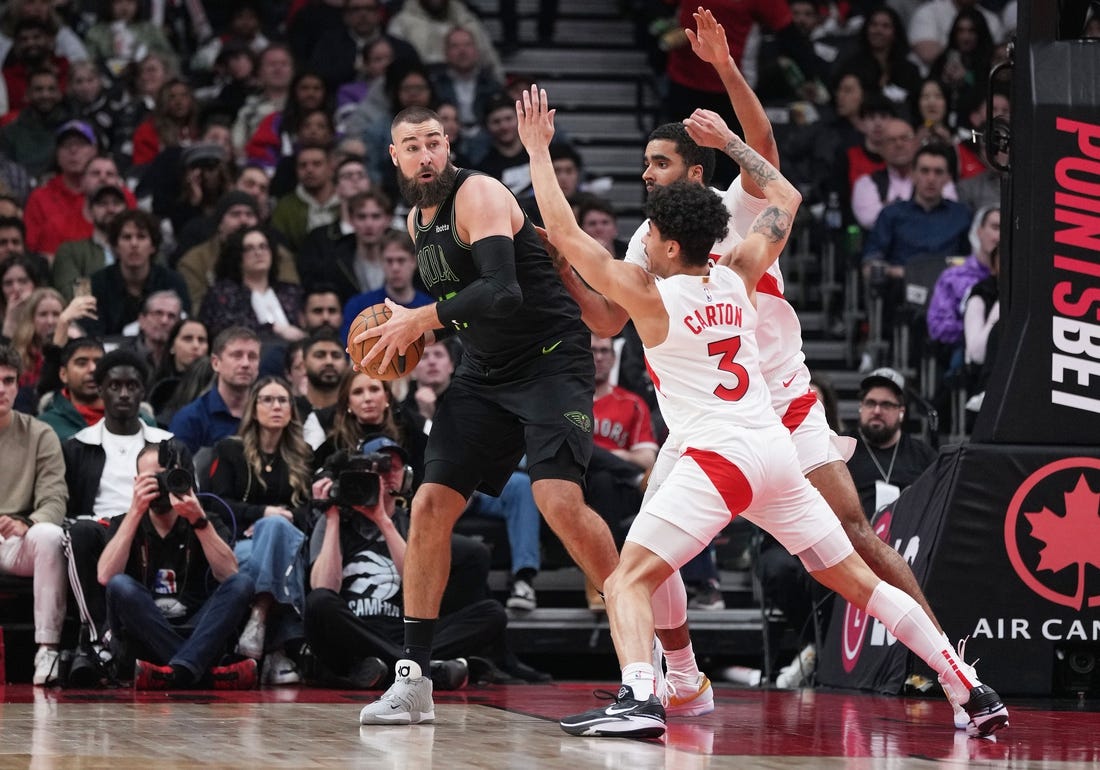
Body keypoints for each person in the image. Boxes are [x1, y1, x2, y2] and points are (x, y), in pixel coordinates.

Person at [517, 85, 1008, 740]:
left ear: (665, 247)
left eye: (654, 233)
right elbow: (788, 197)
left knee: (628, 578)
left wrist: (537, 152)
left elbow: (569, 231)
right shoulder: (741, 269)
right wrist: (734, 146)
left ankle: (640, 698)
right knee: (859, 581)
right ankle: (966, 685)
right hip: (775, 452)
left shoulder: (648, 295)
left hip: (719, 458)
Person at [353, 102, 619, 725]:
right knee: (429, 504)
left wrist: (418, 318)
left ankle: (653, 644)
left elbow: (502, 291)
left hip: (551, 359)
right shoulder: (417, 220)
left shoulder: (478, 194)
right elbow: (467, 305)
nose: (425, 154)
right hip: (485, 370)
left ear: (450, 145)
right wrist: (413, 325)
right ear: (393, 156)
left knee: (558, 502)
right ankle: (414, 677)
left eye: (434, 142)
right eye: (411, 145)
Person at [305, 435, 503, 691]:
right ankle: (422, 668)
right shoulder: (334, 520)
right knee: (319, 601)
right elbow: (325, 587)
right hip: (353, 631)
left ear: (406, 477)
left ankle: (389, 667)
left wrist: (383, 520)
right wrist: (331, 518)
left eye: (395, 467)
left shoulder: (410, 523)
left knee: (492, 612)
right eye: (380, 466)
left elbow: (417, 583)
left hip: (401, 631)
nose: (388, 473)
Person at [97, 441, 257, 689]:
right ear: (137, 482)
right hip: (146, 635)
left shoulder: (206, 521)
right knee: (120, 585)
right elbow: (106, 577)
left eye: (167, 476)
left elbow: (229, 575)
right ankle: (198, 672)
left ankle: (174, 672)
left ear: (184, 479)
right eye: (152, 479)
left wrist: (198, 520)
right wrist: (135, 511)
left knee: (242, 583)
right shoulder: (124, 523)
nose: (161, 485)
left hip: (198, 631)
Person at [62, 348, 172, 665]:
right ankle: (101, 637)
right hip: (99, 526)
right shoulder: (78, 444)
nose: (123, 394)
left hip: (151, 524)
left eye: (132, 386)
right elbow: (68, 504)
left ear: (143, 392)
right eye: (114, 386)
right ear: (101, 390)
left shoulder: (167, 442)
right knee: (80, 532)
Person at [209, 377, 313, 685]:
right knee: (276, 533)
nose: (277, 406)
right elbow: (217, 505)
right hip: (240, 543)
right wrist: (262, 514)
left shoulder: (303, 455)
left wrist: (278, 520)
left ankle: (259, 614)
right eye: (268, 400)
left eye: (283, 400)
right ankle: (279, 652)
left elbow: (310, 511)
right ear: (253, 409)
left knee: (278, 529)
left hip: (287, 545)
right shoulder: (229, 450)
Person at [0, 343, 68, 685]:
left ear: (17, 385)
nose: (1, 388)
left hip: (15, 537)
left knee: (51, 535)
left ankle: (48, 648)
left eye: (8, 380)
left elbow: (55, 498)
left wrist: (28, 522)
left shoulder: (40, 433)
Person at [845, 368, 938, 519]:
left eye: (886, 405)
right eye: (870, 403)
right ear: (861, 407)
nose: (876, 411)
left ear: (901, 412)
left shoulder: (922, 455)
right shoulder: (842, 447)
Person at [86, 209, 190, 337]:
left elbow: (184, 328)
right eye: (126, 237)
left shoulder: (173, 282)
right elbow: (90, 332)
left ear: (153, 246)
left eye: (141, 237)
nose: (134, 244)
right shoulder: (95, 284)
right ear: (116, 246)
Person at [199, 225, 305, 342]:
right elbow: (226, 332)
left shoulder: (290, 291)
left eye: (263, 247)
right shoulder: (223, 293)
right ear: (237, 256)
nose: (258, 253)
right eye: (249, 248)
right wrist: (277, 330)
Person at [169, 326, 261, 453]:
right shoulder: (190, 419)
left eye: (252, 357)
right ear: (216, 363)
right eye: (237, 355)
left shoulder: (268, 414)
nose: (245, 364)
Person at [341, 229, 433, 342]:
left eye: (401, 260)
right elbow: (348, 348)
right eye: (389, 261)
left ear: (413, 261)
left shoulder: (429, 307)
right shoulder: (358, 306)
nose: (395, 268)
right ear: (381, 262)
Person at [51, 183, 128, 302]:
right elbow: (72, 294)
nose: (111, 209)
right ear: (90, 211)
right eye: (103, 203)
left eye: (116, 203)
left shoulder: (142, 248)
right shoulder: (71, 251)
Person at [38, 337, 105, 442]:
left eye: (99, 363)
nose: (93, 369)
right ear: (63, 374)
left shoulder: (131, 418)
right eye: (82, 363)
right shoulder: (44, 426)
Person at [147, 318, 210, 415]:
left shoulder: (215, 387)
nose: (196, 345)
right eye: (188, 339)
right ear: (172, 346)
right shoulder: (156, 386)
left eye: (201, 340)